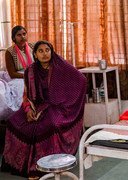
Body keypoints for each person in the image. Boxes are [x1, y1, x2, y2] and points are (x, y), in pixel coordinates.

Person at [1, 40, 87, 179]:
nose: (45, 54)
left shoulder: (60, 67)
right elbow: (26, 95)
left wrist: (67, 101)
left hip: (58, 106)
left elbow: (81, 80)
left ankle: (48, 165)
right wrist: (28, 109)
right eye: (40, 51)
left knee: (51, 125)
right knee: (14, 121)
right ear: (35, 54)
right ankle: (17, 165)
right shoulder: (30, 71)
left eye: (47, 50)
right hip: (36, 105)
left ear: (51, 52)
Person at [0, 26, 34, 117]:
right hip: (18, 76)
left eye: (24, 34)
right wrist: (27, 76)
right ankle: (24, 112)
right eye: (19, 35)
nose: (22, 37)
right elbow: (12, 73)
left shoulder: (33, 47)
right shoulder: (10, 52)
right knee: (22, 89)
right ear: (14, 38)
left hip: (34, 73)